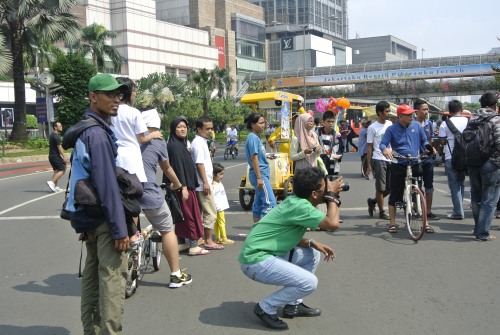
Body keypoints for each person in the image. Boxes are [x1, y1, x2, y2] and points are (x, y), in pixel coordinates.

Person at [65, 73, 130, 334]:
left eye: (119, 95)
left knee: (91, 278)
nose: (116, 100)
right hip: (105, 217)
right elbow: (106, 185)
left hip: (87, 214)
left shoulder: (83, 129)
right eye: (110, 95)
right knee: (112, 278)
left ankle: (91, 331)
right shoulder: (98, 135)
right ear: (93, 97)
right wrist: (120, 229)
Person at [238, 167, 341, 330]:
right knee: (309, 283)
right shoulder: (301, 207)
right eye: (324, 189)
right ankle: (265, 307)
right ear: (314, 194)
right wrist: (332, 195)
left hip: (263, 253)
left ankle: (293, 305)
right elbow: (333, 224)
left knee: (312, 253)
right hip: (255, 260)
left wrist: (311, 242)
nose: (327, 190)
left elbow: (284, 234)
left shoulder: (295, 200)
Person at [139, 108, 193, 287]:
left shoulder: (125, 137)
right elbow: (166, 168)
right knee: (168, 228)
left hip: (122, 191)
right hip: (147, 191)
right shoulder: (158, 140)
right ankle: (176, 275)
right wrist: (177, 184)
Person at [111, 77, 163, 241]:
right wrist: (154, 134)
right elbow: (142, 138)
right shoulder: (133, 113)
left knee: (118, 199)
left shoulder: (110, 111)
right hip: (131, 160)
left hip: (114, 159)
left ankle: (123, 232)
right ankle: (134, 235)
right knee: (132, 201)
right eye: (134, 91)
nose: (135, 94)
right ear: (128, 92)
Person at [380, 104, 435, 234]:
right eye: (408, 114)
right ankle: (392, 223)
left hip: (415, 161)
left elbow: (424, 141)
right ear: (400, 116)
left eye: (412, 114)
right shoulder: (391, 129)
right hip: (399, 163)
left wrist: (429, 148)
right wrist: (386, 149)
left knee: (419, 191)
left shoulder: (417, 126)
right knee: (394, 195)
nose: (411, 116)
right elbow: (383, 143)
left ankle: (425, 223)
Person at [166, 116, 208, 256]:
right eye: (179, 127)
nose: (183, 129)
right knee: (189, 215)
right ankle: (193, 246)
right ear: (173, 129)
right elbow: (177, 168)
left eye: (184, 126)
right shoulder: (175, 146)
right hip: (182, 187)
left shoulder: (180, 144)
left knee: (183, 215)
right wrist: (183, 186)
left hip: (185, 186)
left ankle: (183, 243)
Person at [469, 92, 500, 241]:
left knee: (476, 196)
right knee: (489, 199)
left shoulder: (472, 119)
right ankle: (482, 233)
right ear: (495, 106)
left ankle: (477, 229)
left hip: (473, 162)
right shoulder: (495, 119)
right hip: (492, 163)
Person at [191, 116, 224, 250]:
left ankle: (199, 238)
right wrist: (205, 182)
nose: (210, 131)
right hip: (201, 184)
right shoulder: (198, 142)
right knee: (210, 212)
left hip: (201, 183)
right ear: (199, 129)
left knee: (200, 212)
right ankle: (208, 240)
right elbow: (199, 164)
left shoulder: (201, 141)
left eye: (211, 128)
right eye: (207, 128)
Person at [438, 100, 469, 220]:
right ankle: (459, 208)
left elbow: (442, 141)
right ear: (461, 110)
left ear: (449, 111)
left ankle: (458, 212)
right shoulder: (468, 121)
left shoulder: (445, 124)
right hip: (465, 157)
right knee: (461, 183)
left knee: (454, 185)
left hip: (451, 157)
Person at [244, 113, 277, 223]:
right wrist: (259, 178)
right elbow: (254, 158)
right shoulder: (252, 138)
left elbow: (258, 156)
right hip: (260, 174)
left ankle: (256, 229)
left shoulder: (255, 137)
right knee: (270, 203)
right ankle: (265, 231)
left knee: (258, 203)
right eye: (261, 123)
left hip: (261, 174)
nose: (263, 125)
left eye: (264, 123)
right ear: (253, 125)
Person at [366, 101, 393, 220]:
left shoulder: (390, 124)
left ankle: (373, 201)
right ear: (379, 113)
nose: (389, 113)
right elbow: (369, 147)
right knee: (381, 188)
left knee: (390, 188)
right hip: (378, 158)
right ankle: (382, 211)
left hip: (391, 159)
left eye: (389, 110)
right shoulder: (372, 128)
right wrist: (369, 164)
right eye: (386, 111)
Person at [414, 98, 440, 221]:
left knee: (429, 186)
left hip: (428, 159)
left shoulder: (429, 123)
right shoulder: (411, 124)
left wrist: (432, 149)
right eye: (424, 109)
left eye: (427, 109)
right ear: (416, 111)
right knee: (417, 187)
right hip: (415, 160)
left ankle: (428, 211)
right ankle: (417, 209)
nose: (426, 111)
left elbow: (430, 140)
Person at [212, 162, 234, 244]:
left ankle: (218, 238)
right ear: (214, 175)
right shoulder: (214, 186)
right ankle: (224, 238)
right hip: (219, 207)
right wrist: (217, 207)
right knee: (221, 222)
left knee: (217, 223)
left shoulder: (217, 183)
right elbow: (213, 198)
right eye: (220, 174)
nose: (222, 176)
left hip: (219, 206)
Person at [317, 111, 342, 176]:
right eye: (328, 121)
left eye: (332, 122)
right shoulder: (316, 134)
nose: (331, 123)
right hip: (320, 164)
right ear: (323, 122)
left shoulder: (337, 135)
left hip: (333, 164)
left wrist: (338, 155)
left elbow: (341, 149)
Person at [46, 121, 66, 192]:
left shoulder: (52, 135)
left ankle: (55, 186)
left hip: (51, 156)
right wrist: (64, 157)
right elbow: (59, 147)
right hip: (55, 156)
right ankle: (52, 182)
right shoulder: (56, 136)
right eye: (59, 126)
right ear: (55, 127)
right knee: (62, 170)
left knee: (56, 171)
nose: (61, 127)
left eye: (61, 126)